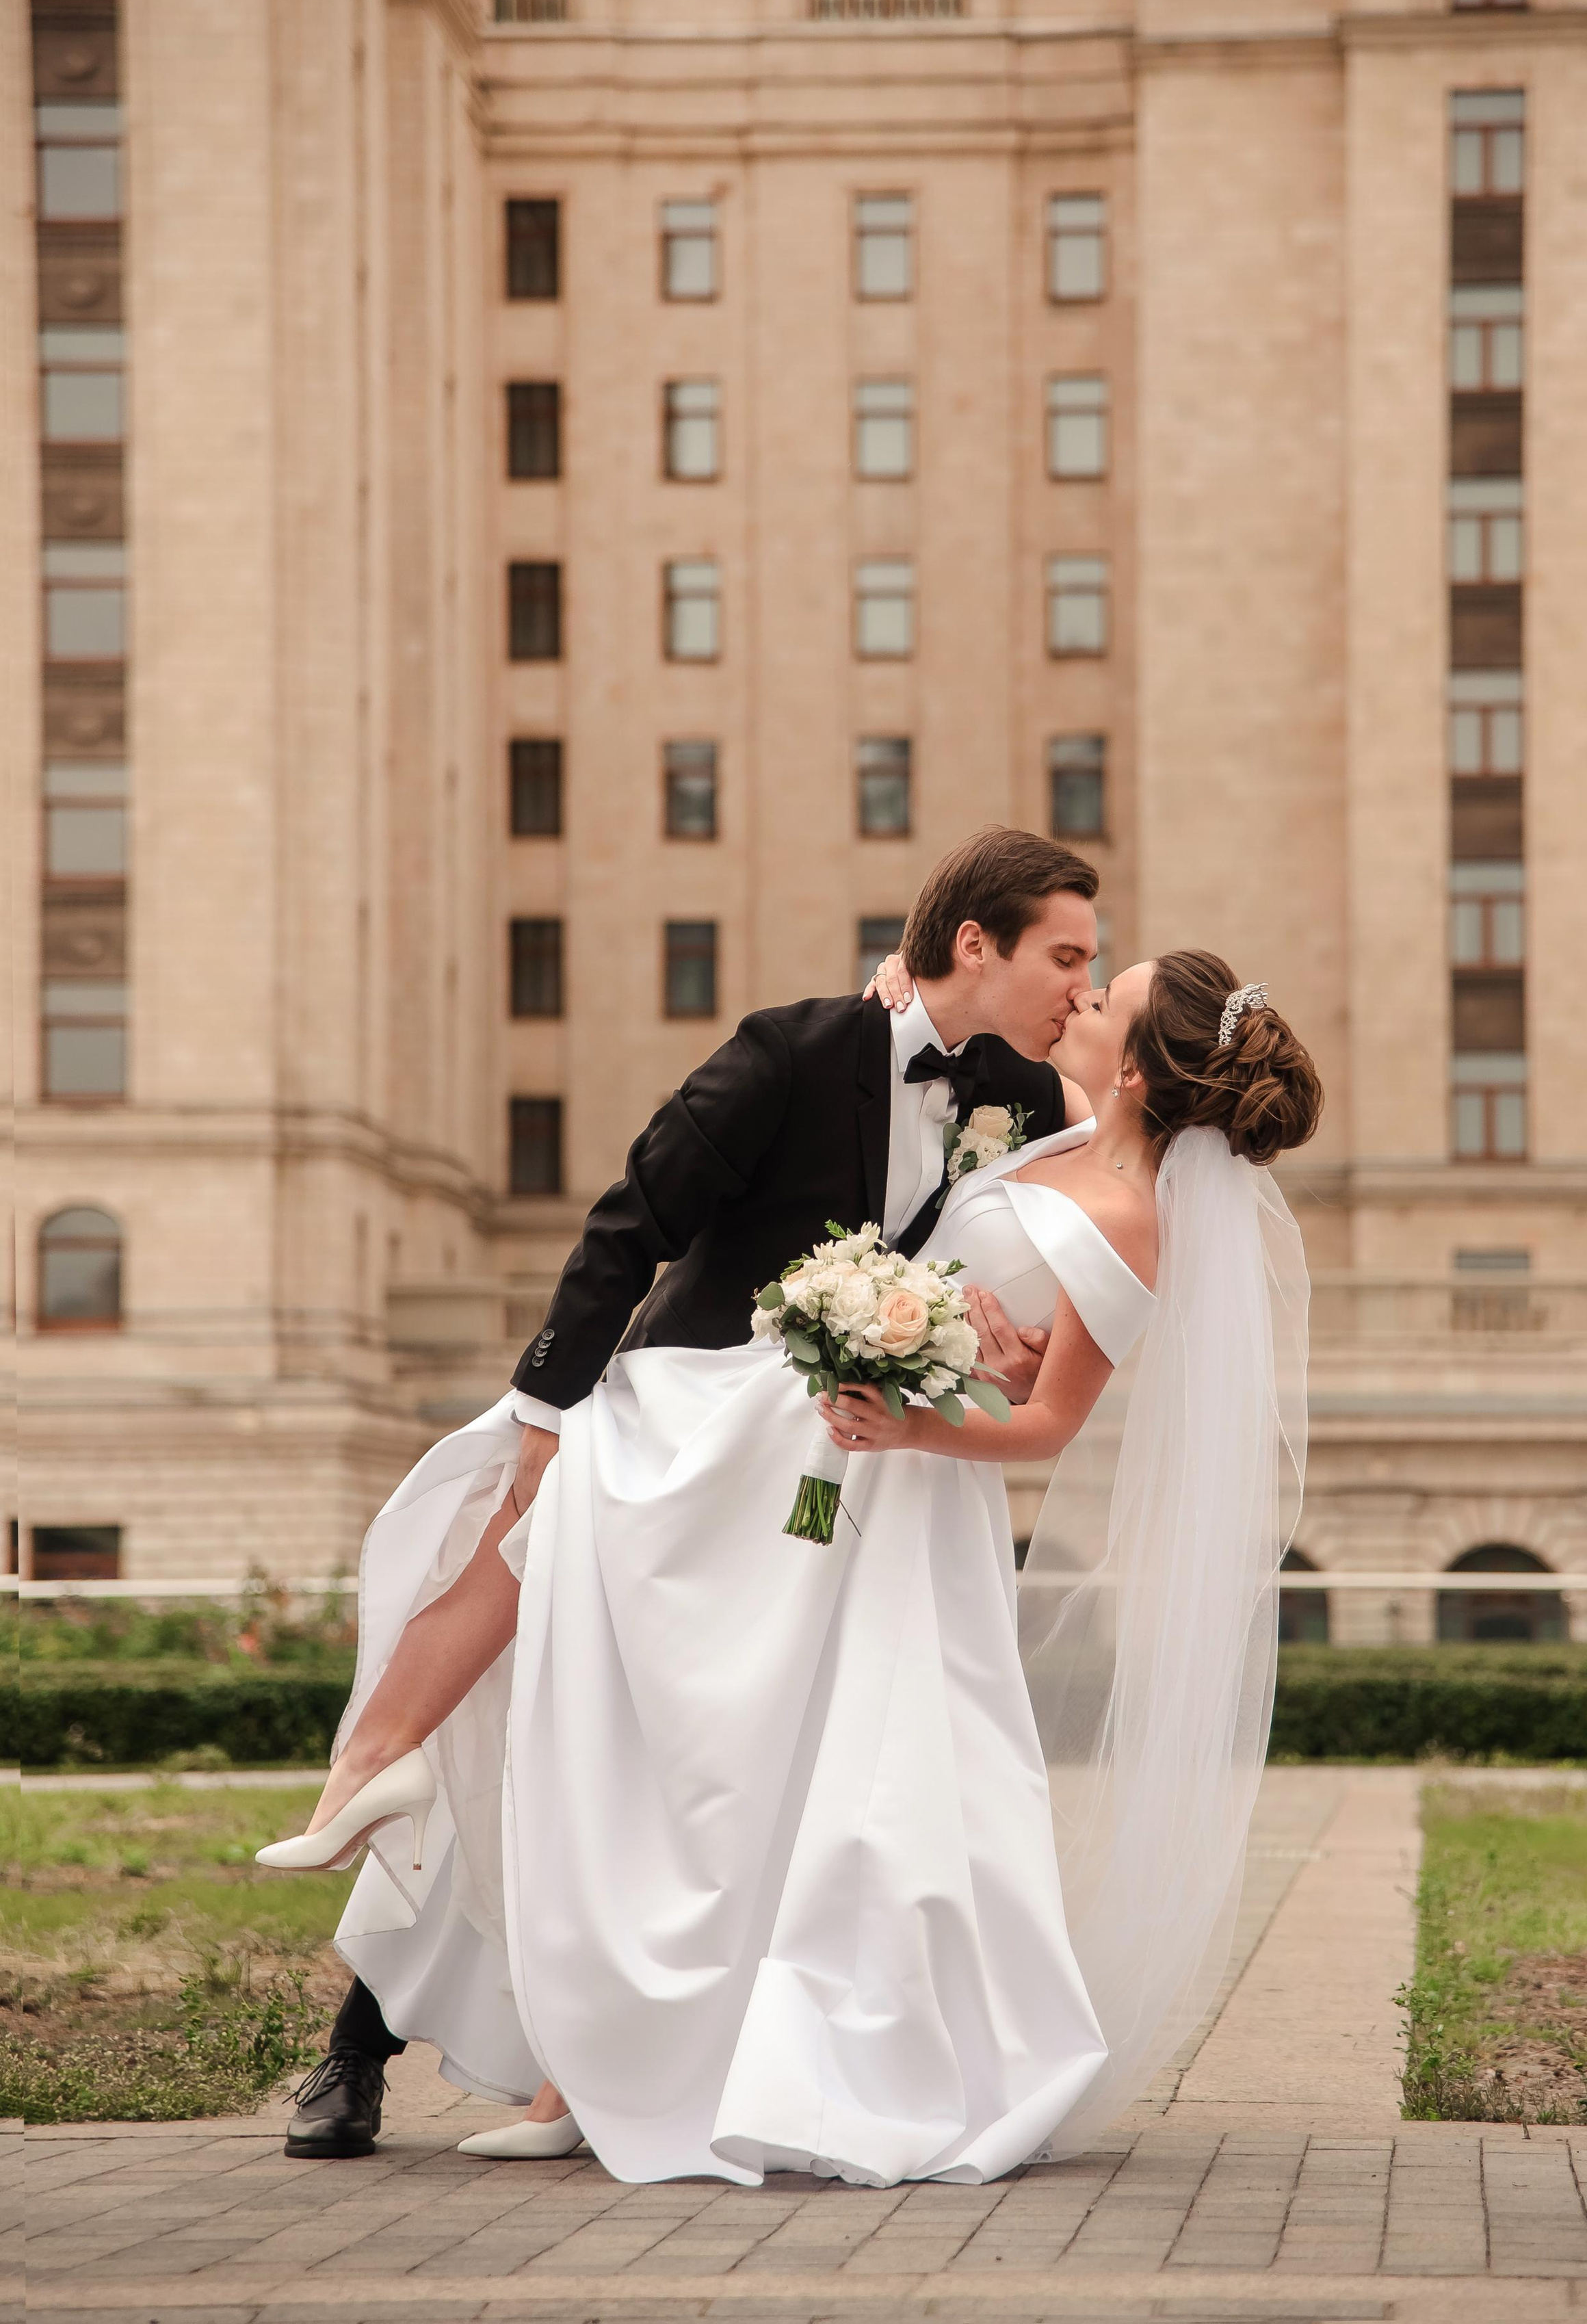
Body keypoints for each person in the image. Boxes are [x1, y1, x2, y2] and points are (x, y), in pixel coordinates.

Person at [264, 867, 1322, 2184]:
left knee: (716, 1756)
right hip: (728, 1417)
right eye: (1071, 962)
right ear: (980, 949)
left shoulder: (1063, 1122)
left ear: (1149, 1069)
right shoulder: (879, 1061)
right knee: (567, 1577)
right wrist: (549, 1395)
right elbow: (637, 1218)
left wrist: (962, 1373)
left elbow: (1046, 1376)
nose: (1079, 991)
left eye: (1100, 981)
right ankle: (391, 1852)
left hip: (856, 1478)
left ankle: (592, 2036)